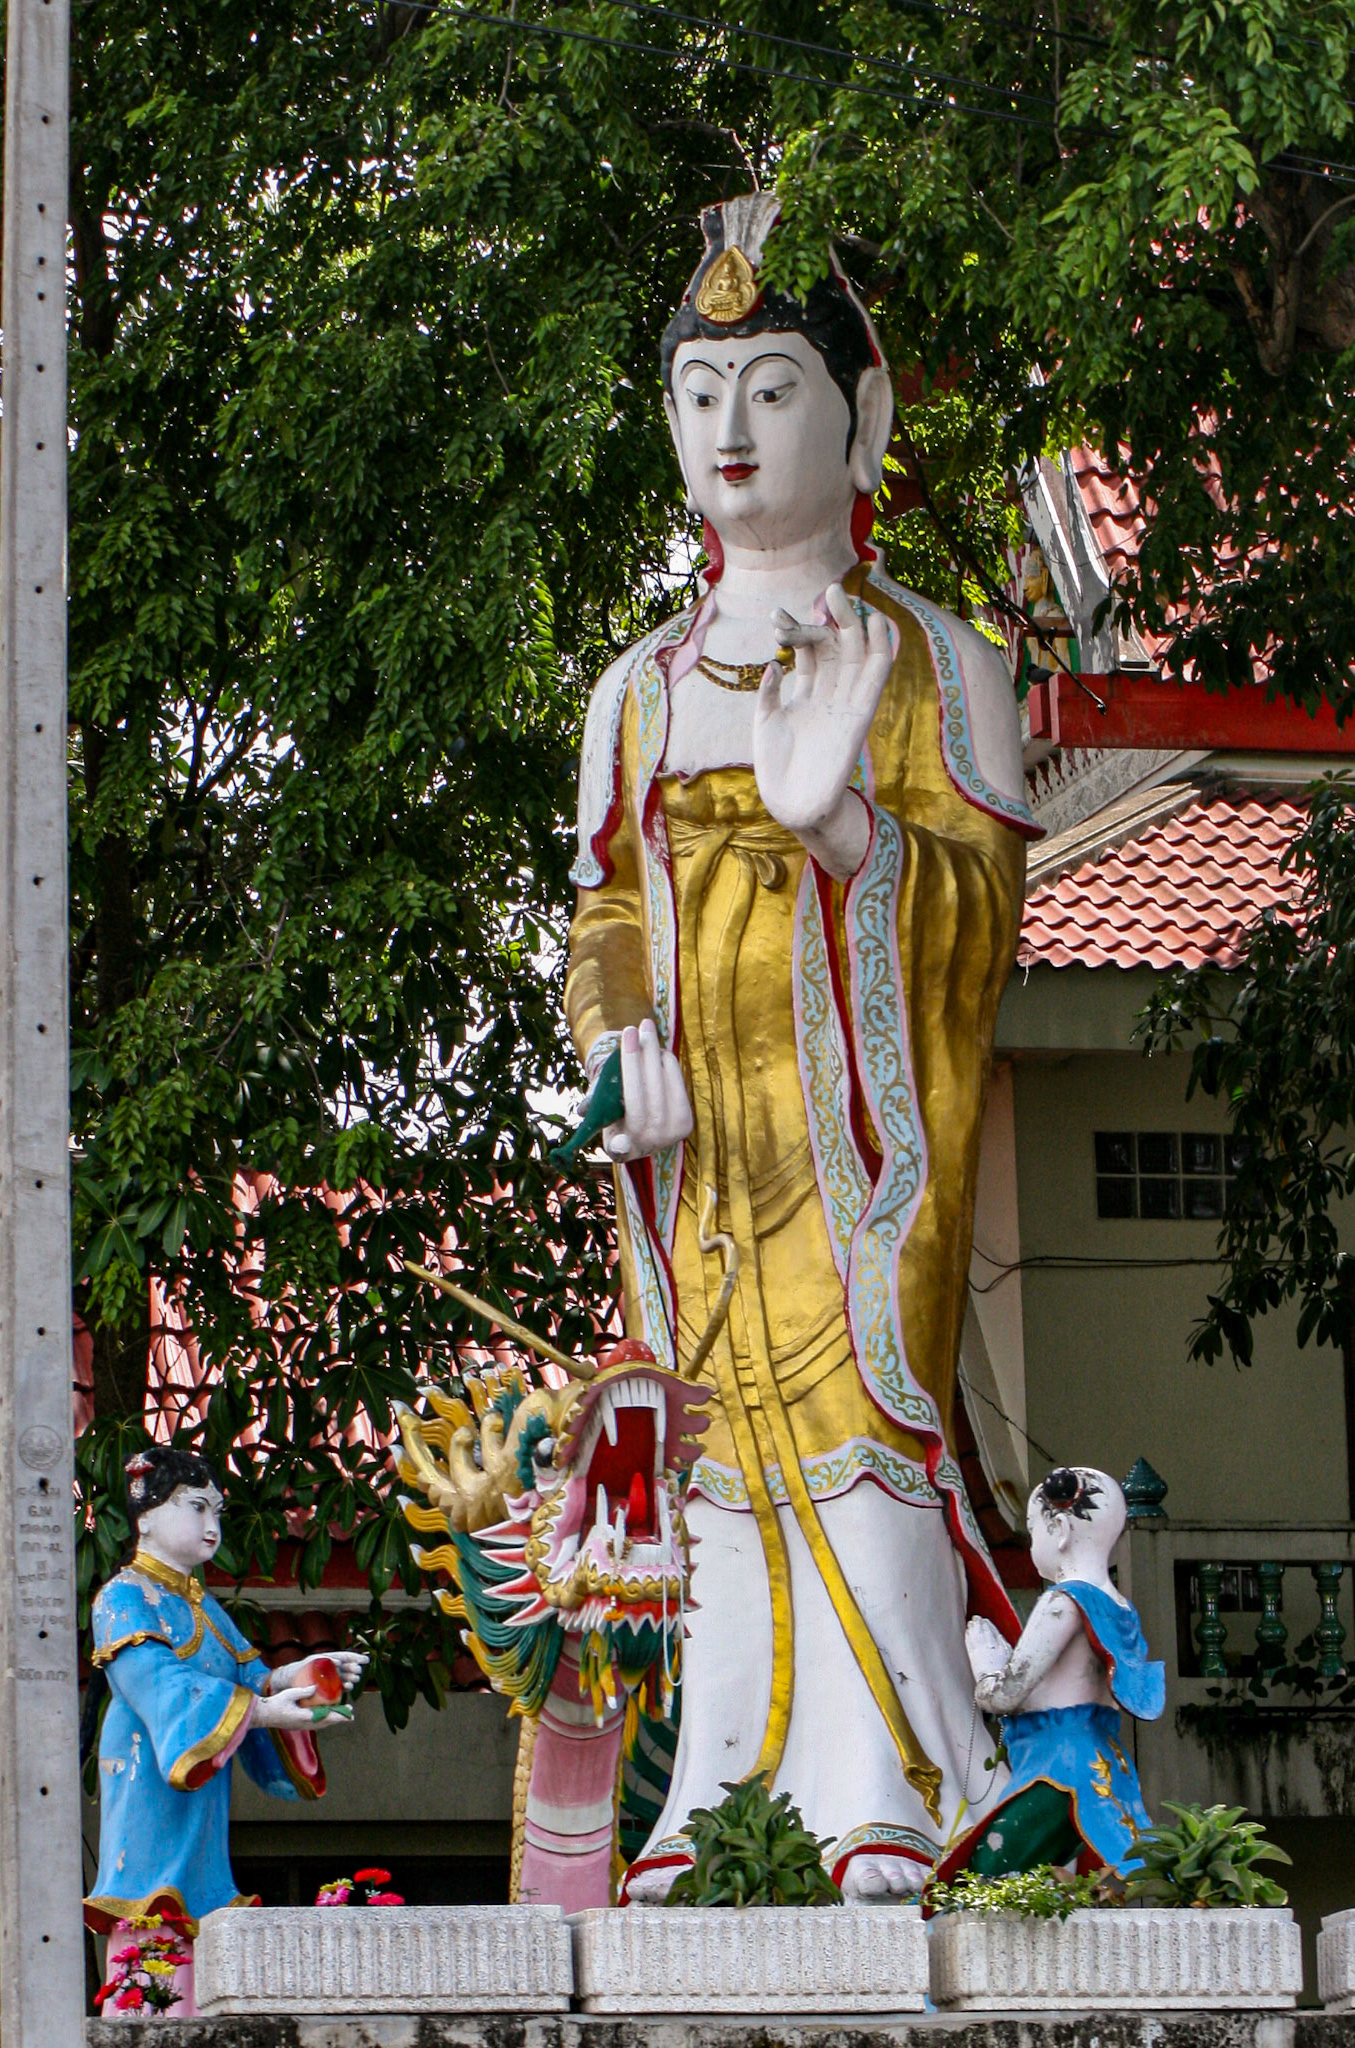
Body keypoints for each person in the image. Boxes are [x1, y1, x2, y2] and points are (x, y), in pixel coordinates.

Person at [563, 190, 1041, 1899]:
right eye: (702, 394)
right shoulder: (639, 685)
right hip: (700, 1152)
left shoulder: (935, 661)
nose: (733, 430)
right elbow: (603, 916)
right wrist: (621, 1044)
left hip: (864, 1140)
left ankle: (886, 1774)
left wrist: (838, 825)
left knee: (859, 1413)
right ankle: (723, 1782)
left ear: (864, 412)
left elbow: (986, 918)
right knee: (708, 1443)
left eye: (773, 385)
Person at [84, 1448, 366, 2011]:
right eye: (195, 1508)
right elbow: (156, 1683)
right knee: (150, 1917)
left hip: (200, 1794)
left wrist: (303, 1674)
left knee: (201, 1913)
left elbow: (251, 1676)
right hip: (150, 1778)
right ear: (145, 1516)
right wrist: (262, 1713)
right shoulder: (123, 1598)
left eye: (217, 1510)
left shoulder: (207, 1606)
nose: (212, 1526)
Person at [934, 1466, 1165, 1882]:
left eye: (1033, 1530)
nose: (1032, 1544)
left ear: (1058, 1529)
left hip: (1056, 1769)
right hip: (1102, 1766)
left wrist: (985, 1661)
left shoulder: (1062, 1602)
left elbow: (1004, 1695)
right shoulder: (1121, 1608)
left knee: (977, 1876)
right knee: (1032, 1881)